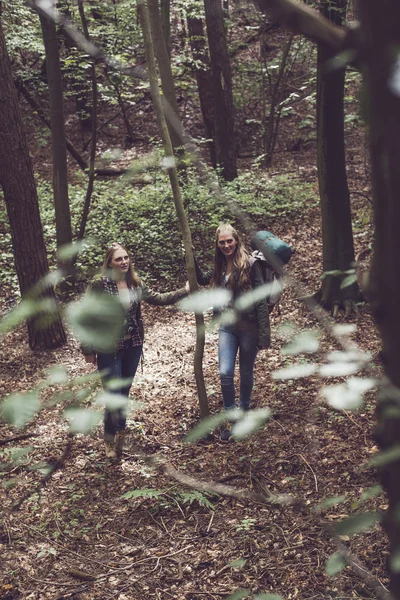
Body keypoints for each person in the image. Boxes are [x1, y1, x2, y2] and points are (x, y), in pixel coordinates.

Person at [82, 242, 189, 459]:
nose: (123, 262)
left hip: (133, 345)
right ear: (109, 262)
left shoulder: (135, 283)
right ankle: (109, 440)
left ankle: (121, 429)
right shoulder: (100, 284)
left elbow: (159, 299)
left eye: (126, 258)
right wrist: (87, 348)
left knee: (124, 391)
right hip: (108, 348)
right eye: (118, 259)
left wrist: (185, 290)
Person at [195, 224, 270, 441]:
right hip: (227, 327)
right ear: (217, 245)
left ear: (236, 240)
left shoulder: (250, 264)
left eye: (230, 241)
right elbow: (202, 278)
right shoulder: (219, 266)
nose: (227, 245)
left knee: (246, 373)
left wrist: (265, 334)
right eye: (222, 242)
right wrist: (189, 257)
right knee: (225, 373)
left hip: (249, 327)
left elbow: (261, 301)